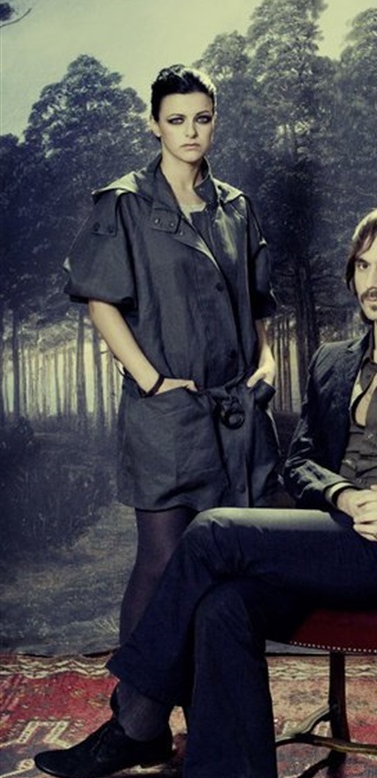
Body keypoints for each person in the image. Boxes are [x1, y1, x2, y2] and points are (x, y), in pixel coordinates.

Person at [34, 204, 377, 778]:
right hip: (340, 539)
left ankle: (138, 719)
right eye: (362, 265)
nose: (373, 281)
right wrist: (343, 494)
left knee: (213, 530)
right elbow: (301, 461)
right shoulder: (332, 361)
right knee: (223, 605)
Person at [64, 64, 281, 647]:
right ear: (154, 124)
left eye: (201, 119)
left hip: (236, 411)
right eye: (176, 119)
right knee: (161, 560)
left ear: (215, 122)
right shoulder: (125, 203)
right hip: (166, 414)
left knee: (228, 567)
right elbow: (101, 302)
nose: (190, 132)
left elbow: (257, 301)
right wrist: (152, 381)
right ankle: (137, 700)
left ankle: (210, 694)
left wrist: (266, 362)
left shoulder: (236, 207)